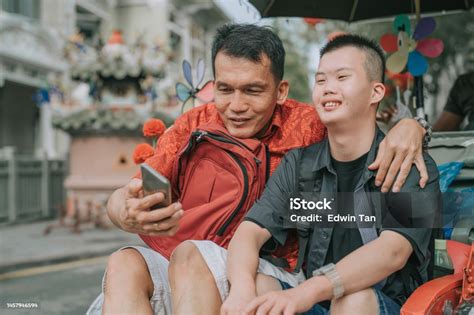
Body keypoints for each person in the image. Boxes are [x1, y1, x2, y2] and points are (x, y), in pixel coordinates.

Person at [87, 24, 430, 315]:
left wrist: (412, 127)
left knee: (345, 297)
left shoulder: (314, 128)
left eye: (252, 90)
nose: (236, 106)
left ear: (281, 91)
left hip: (315, 284)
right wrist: (124, 211)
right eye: (224, 89)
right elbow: (249, 231)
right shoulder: (292, 159)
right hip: (208, 267)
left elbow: (393, 249)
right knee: (124, 262)